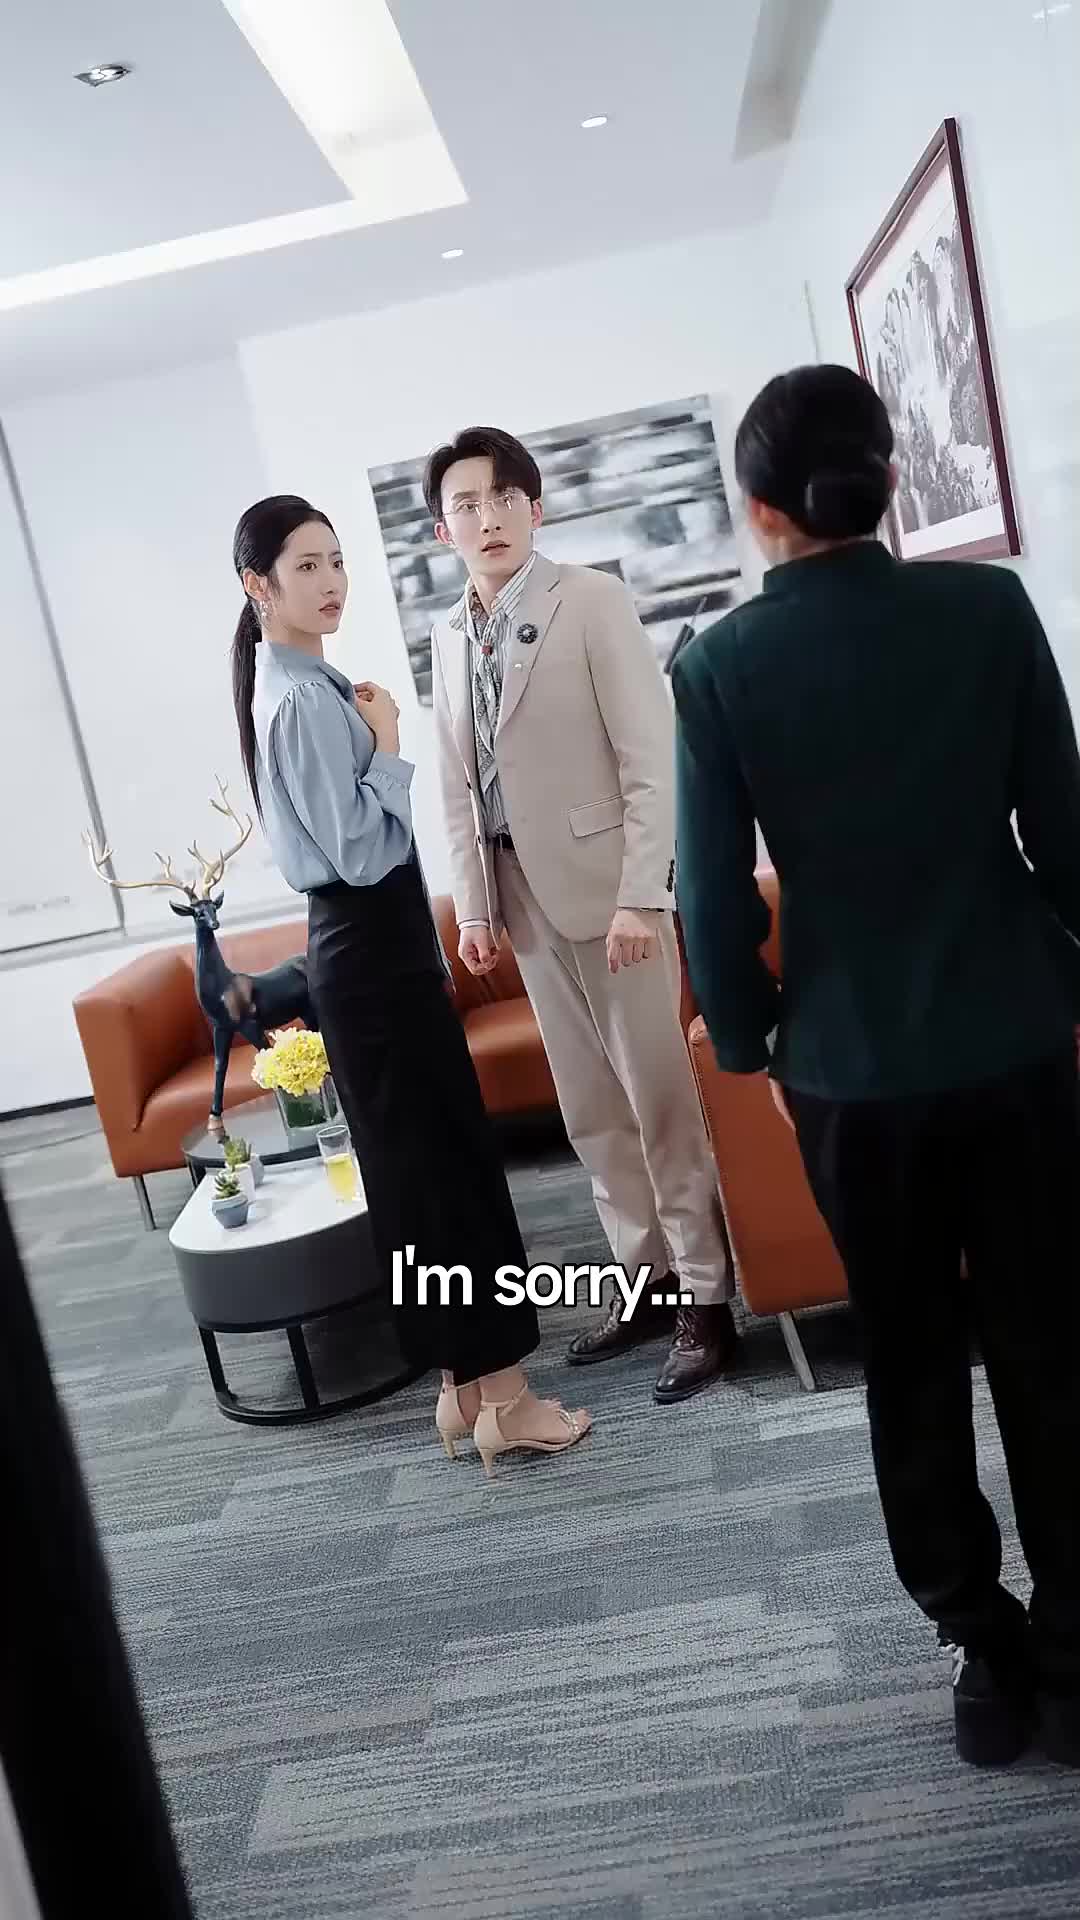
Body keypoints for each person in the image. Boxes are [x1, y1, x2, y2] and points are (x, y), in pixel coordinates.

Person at [671, 362, 1080, 1768]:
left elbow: (712, 899)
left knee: (908, 1358)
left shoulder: (718, 666)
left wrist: (755, 1042)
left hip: (850, 1071)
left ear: (759, 510)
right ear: (892, 480)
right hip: (1016, 1038)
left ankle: (981, 1650)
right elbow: (1063, 834)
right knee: (1051, 1344)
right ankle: (1075, 1657)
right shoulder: (988, 610)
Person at [230, 495, 591, 1475]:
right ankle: (507, 1400)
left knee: (419, 1176)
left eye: (336, 560)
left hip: (366, 954)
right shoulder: (306, 700)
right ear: (259, 584)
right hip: (372, 952)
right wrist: (390, 746)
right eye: (306, 566)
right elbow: (356, 850)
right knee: (448, 1174)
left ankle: (463, 1389)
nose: (332, 581)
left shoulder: (300, 685)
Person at [426, 428, 735, 1404]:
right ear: (442, 529)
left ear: (536, 507)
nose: (488, 518)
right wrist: (474, 909)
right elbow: (457, 787)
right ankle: (645, 1277)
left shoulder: (591, 600)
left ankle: (707, 1296)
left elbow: (652, 761)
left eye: (503, 498)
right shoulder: (447, 635)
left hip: (613, 898)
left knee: (658, 1101)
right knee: (591, 1113)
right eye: (467, 505)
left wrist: (644, 894)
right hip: (520, 901)